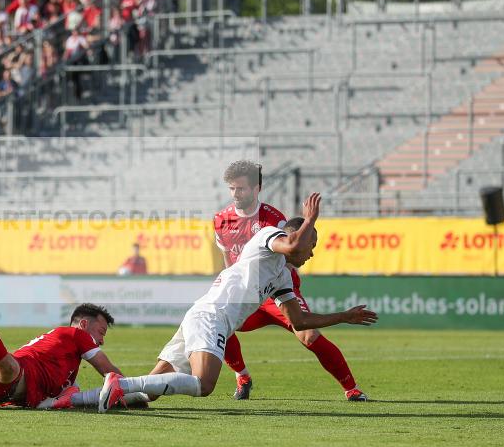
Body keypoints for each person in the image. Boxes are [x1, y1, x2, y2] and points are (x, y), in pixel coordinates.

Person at [91, 193, 378, 413]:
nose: (311, 253)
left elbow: (299, 322)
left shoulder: (282, 276)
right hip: (212, 317)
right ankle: (121, 383)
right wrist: (311, 220)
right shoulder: (269, 237)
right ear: (296, 236)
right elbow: (292, 245)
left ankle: (80, 399)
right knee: (204, 385)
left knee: (148, 394)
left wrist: (344, 316)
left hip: (202, 315)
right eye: (312, 245)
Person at [215, 161, 366, 402]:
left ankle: (352, 388)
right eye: (232, 188)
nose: (236, 194)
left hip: (278, 290)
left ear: (256, 189)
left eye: (241, 188)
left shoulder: (274, 219)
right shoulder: (220, 220)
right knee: (218, 324)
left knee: (309, 336)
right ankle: (242, 375)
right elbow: (228, 259)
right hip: (247, 292)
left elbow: (292, 254)